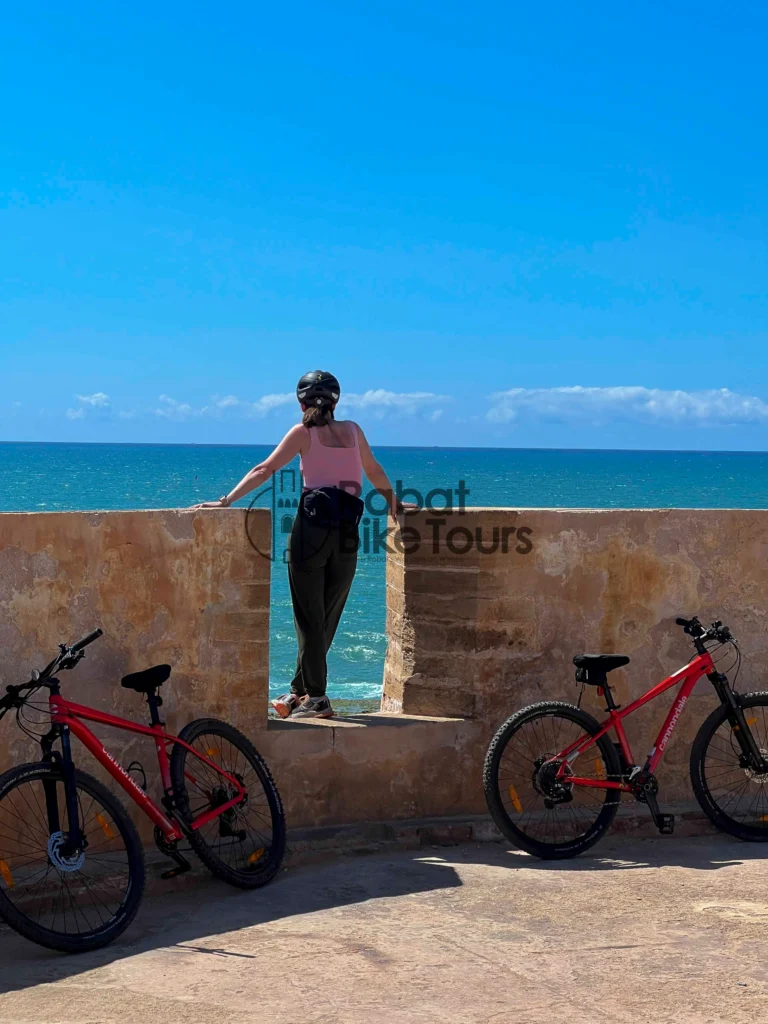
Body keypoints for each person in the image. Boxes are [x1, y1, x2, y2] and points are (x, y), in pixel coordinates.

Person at [191, 370, 404, 719]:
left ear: (300, 402)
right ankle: (299, 691)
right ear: (337, 402)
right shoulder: (353, 430)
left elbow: (265, 470)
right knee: (326, 616)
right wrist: (393, 502)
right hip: (348, 532)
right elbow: (374, 469)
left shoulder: (303, 433)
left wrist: (226, 500)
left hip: (311, 532)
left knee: (309, 617)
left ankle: (317, 699)